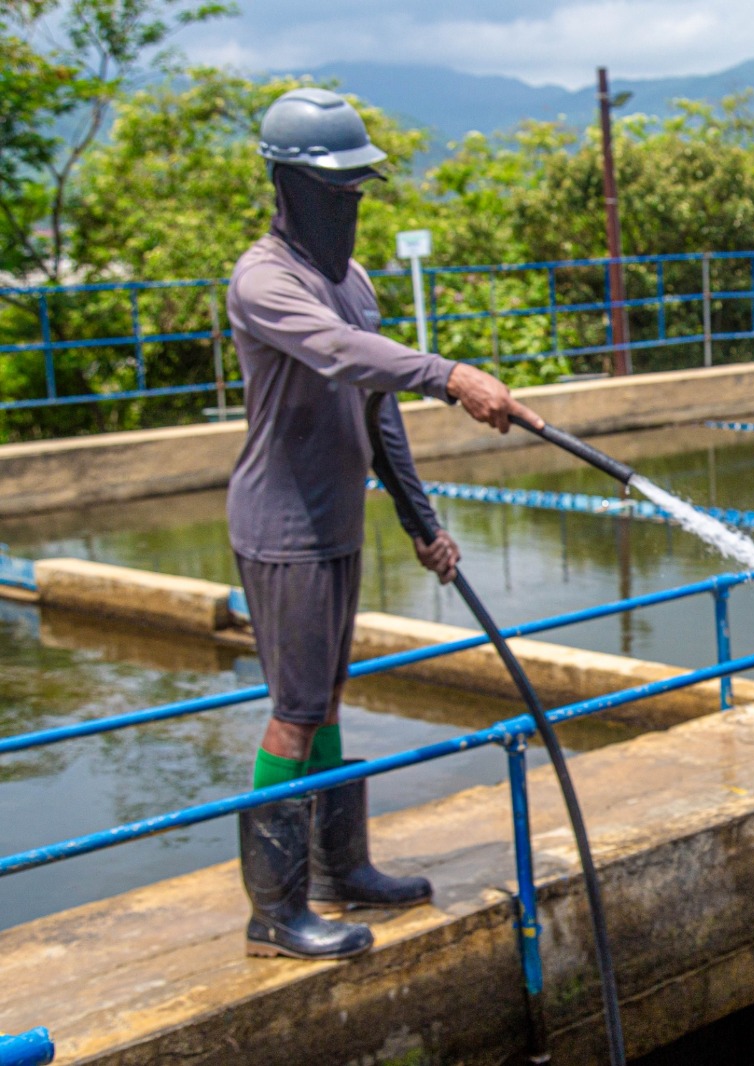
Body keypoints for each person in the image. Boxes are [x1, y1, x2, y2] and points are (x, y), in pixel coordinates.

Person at [227, 87, 543, 960]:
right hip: (282, 523)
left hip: (337, 521)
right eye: (336, 188)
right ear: (289, 184)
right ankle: (274, 914)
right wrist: (450, 373)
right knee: (292, 711)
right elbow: (339, 354)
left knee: (325, 698)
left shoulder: (352, 280)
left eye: (359, 187)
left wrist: (419, 520)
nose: (350, 203)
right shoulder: (265, 280)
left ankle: (341, 870)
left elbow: (377, 413)